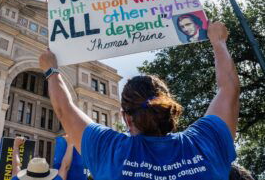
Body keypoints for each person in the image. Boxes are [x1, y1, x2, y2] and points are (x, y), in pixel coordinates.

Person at [39, 22, 239, 179]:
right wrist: (219, 42)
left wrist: (51, 70)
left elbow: (64, 110)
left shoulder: (109, 151)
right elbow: (229, 88)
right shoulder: (205, 143)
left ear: (126, 118)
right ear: (168, 109)